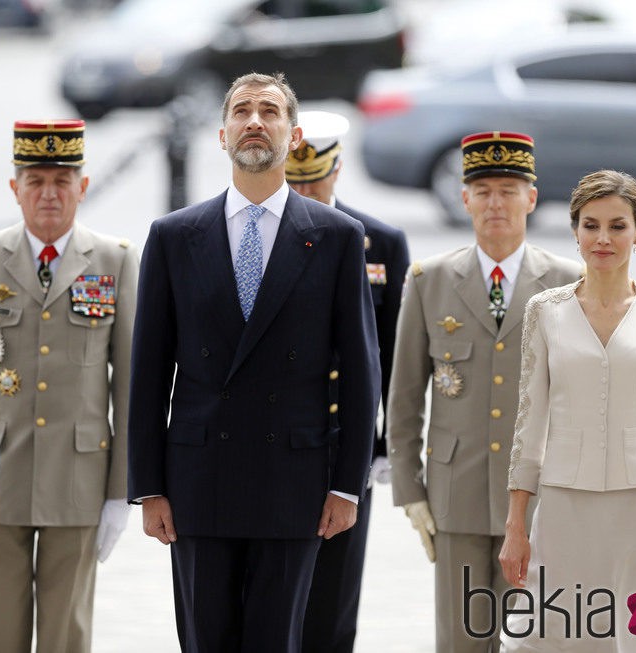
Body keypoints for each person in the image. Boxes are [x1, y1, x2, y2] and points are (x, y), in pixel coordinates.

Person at [128, 72, 380, 653]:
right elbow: (148, 373)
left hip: (292, 481)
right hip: (197, 480)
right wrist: (150, 488)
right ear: (222, 135)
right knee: (204, 640)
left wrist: (348, 487)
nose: (255, 121)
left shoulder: (339, 237)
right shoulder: (173, 236)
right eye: (242, 111)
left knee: (277, 640)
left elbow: (362, 372)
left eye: (270, 111)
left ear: (293, 137)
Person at [498, 169, 636, 652]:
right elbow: (529, 421)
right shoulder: (545, 310)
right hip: (561, 507)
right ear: (575, 230)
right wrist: (516, 524)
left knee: (631, 636)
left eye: (618, 226)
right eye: (591, 225)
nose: (603, 238)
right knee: (552, 632)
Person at [386, 131, 582, 652]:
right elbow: (404, 398)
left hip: (543, 499)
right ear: (464, 197)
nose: (496, 202)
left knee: (539, 640)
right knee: (462, 642)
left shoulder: (569, 284)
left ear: (532, 199)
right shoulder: (429, 281)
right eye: (484, 189)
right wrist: (410, 492)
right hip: (458, 496)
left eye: (509, 189)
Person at [0, 119, 138, 653]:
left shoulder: (115, 260)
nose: (49, 194)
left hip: (79, 477)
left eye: (63, 181)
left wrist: (120, 492)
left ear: (83, 187)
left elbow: (127, 382)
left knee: (67, 634)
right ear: (15, 189)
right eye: (35, 181)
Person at [285, 109, 410, 653]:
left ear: (337, 170)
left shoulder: (377, 243)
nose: (307, 192)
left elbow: (392, 354)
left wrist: (382, 444)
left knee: (335, 598)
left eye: (316, 179)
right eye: (295, 182)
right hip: (281, 438)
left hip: (345, 440)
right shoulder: (264, 235)